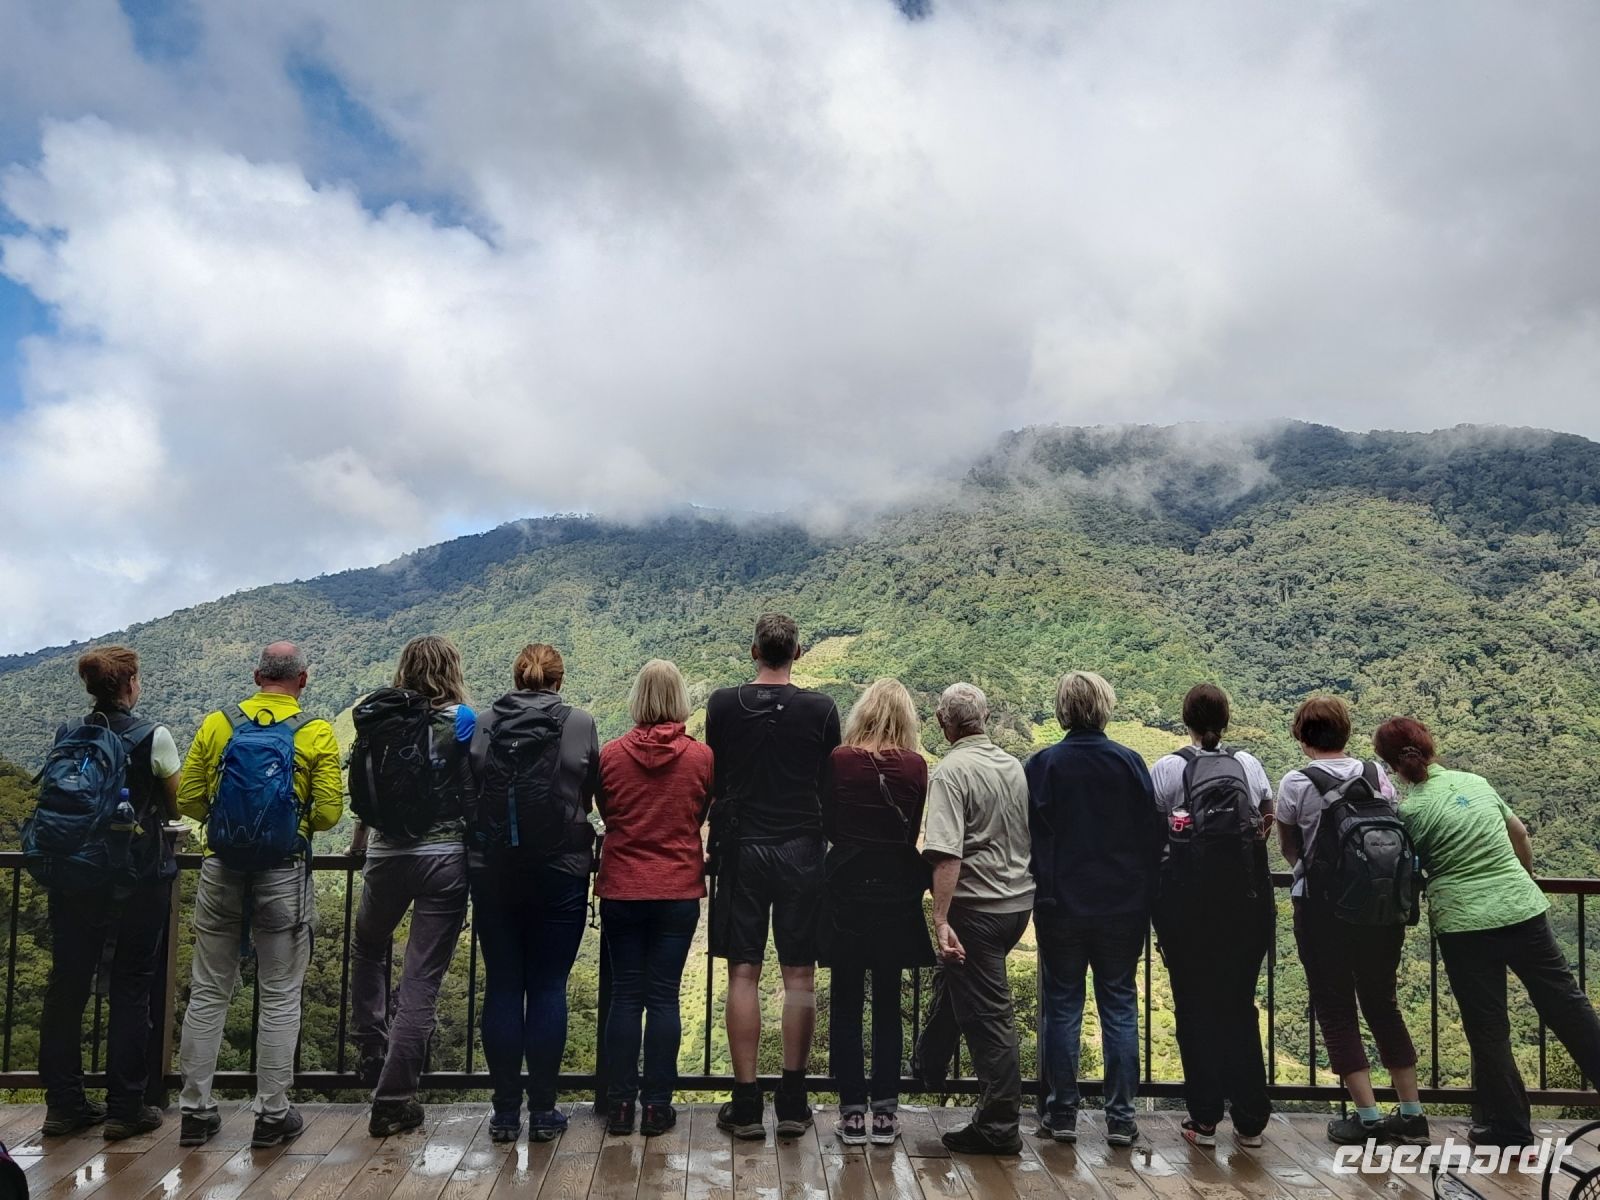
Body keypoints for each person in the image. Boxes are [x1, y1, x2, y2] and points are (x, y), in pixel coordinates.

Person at [1376, 717, 1600, 1149]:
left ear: (1392, 766)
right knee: (1568, 1007)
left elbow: (1409, 870)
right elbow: (1518, 833)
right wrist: (1524, 881)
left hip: (1464, 925)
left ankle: (1510, 1131)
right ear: (1429, 746)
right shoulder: (1475, 782)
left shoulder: (1410, 812)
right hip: (1521, 909)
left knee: (1489, 1029)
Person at [175, 642, 343, 1149]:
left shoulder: (217, 724)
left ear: (255, 675)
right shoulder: (314, 731)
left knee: (208, 992)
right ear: (303, 680)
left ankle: (195, 1113)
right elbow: (331, 812)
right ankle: (272, 1115)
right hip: (283, 873)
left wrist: (228, 830)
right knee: (279, 995)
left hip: (220, 869)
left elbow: (188, 796)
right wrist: (289, 829)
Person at [706, 614, 840, 1140]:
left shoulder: (722, 705)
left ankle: (745, 1102)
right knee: (799, 976)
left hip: (741, 850)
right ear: (798, 652)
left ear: (754, 650)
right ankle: (792, 1097)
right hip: (803, 848)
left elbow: (717, 773)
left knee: (743, 973)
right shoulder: (822, 709)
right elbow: (828, 781)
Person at [37, 647, 180, 1141]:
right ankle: (126, 1108)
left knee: (67, 985)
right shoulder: (152, 735)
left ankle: (63, 1105)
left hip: (74, 876)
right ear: (131, 683)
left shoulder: (67, 735)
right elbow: (174, 801)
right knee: (132, 987)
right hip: (136, 878)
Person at [1277, 697, 1427, 1146]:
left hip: (1323, 912)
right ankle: (1412, 1114)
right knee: (1382, 1001)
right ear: (1345, 732)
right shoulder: (1374, 773)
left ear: (1303, 738)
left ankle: (1365, 1117)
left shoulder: (1296, 782)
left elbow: (1290, 849)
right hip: (1382, 909)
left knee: (1335, 1006)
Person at [467, 643, 601, 1144]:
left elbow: (472, 788)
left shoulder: (484, 722)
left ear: (516, 676)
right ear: (559, 680)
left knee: (503, 985)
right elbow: (591, 790)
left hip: (494, 871)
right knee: (547, 987)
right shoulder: (581, 723)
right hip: (561, 869)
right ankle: (544, 1111)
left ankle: (504, 1115)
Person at [1026, 671, 1161, 1149]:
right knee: (1120, 1006)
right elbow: (1153, 834)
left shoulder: (1043, 764)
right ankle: (1121, 1119)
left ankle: (1061, 1112)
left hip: (1060, 903)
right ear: (1104, 707)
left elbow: (1029, 835)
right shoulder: (1129, 763)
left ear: (1063, 709)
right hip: (1123, 905)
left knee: (1062, 1007)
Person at [348, 636, 476, 1138]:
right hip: (445, 858)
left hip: (384, 854)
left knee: (367, 946)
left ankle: (370, 1042)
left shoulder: (377, 715)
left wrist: (361, 840)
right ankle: (394, 1098)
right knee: (421, 976)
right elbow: (472, 782)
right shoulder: (461, 719)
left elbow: (365, 786)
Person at [913, 683, 1035, 1156]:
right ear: (983, 718)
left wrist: (940, 918)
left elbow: (946, 854)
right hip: (1016, 904)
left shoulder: (950, 772)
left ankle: (1000, 1125)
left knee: (989, 1017)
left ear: (945, 722)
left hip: (976, 908)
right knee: (960, 982)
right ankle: (928, 1065)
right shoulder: (1012, 766)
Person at [1149, 684, 1274, 1148]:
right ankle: (1251, 1119)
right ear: (1226, 719)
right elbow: (1266, 818)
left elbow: (1153, 831)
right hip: (1245, 906)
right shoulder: (1249, 764)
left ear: (1185, 719)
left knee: (1193, 1008)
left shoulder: (1168, 768)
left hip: (1187, 911)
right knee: (1240, 1007)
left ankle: (1203, 1119)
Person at [596, 660, 714, 1139]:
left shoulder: (609, 755)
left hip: (623, 886)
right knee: (663, 996)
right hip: (677, 888)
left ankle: (620, 1104)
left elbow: (607, 810)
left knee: (626, 995)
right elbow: (700, 810)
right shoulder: (701, 757)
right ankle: (657, 1106)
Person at [819, 679, 934, 1147]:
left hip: (845, 888)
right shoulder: (916, 766)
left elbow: (827, 820)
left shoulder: (840, 761)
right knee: (889, 1003)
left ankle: (850, 1113)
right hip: (896, 891)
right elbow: (911, 831)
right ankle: (885, 1111)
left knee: (846, 1000)